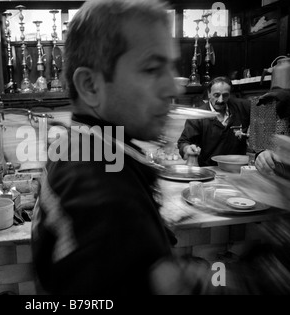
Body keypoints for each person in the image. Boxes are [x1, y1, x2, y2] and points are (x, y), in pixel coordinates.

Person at [31, 0, 212, 295]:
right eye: (152, 68)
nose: (174, 88)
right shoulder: (102, 190)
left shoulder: (84, 145)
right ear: (90, 85)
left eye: (171, 66)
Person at [177, 77, 251, 166]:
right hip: (209, 169)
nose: (221, 100)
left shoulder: (242, 107)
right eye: (216, 95)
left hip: (238, 169)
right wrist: (187, 148)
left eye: (225, 95)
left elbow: (262, 109)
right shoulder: (198, 116)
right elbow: (183, 142)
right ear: (209, 94)